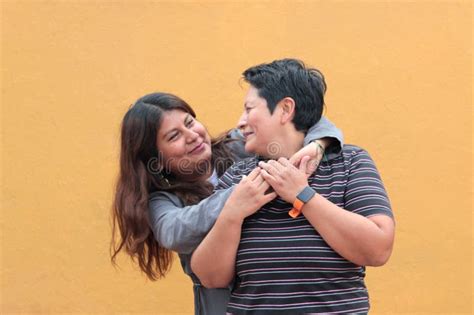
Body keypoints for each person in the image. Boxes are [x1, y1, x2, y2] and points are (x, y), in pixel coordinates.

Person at [190, 58, 395, 314]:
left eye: (249, 109)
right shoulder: (239, 177)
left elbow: (378, 249)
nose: (240, 122)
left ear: (286, 109)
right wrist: (232, 213)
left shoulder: (350, 162)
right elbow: (210, 277)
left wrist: (302, 195)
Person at [110, 92, 344, 314]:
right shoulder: (162, 200)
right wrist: (239, 196)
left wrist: (317, 146)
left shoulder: (238, 146)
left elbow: (308, 119)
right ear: (155, 159)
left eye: (190, 123)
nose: (191, 135)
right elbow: (174, 232)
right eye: (174, 136)